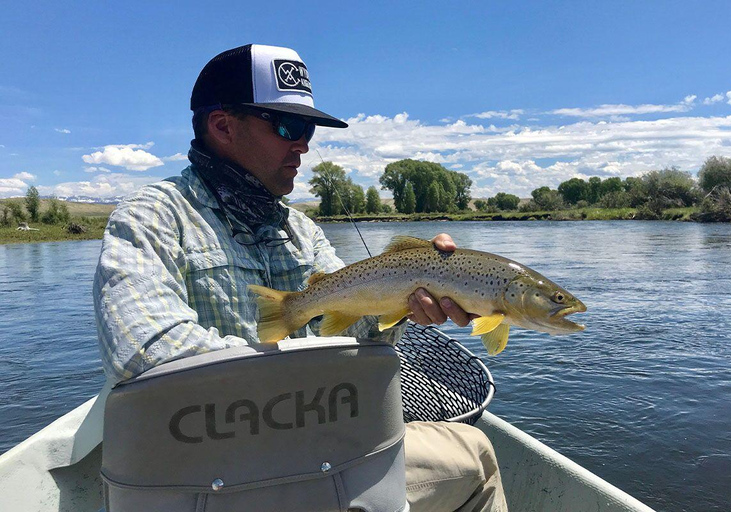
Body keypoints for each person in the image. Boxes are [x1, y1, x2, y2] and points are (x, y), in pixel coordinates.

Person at [94, 43, 507, 512]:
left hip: (323, 454)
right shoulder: (150, 216)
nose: (304, 145)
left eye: (308, 129)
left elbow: (348, 332)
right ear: (223, 126)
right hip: (206, 478)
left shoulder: (302, 230)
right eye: (290, 126)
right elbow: (145, 354)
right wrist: (292, 367)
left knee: (476, 454)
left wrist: (407, 299)